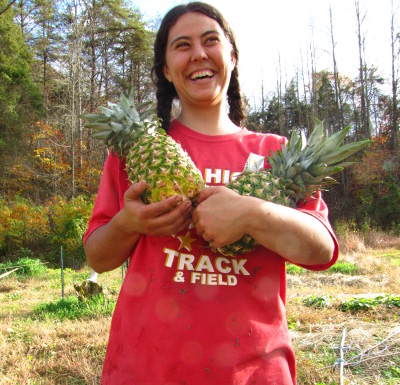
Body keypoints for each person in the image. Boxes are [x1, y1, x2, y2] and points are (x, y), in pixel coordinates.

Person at [83, 2, 338, 384]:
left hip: (253, 371)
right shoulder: (137, 152)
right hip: (146, 368)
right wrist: (128, 223)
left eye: (210, 41)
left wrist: (252, 212)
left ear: (232, 57)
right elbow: (97, 256)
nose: (198, 53)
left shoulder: (275, 153)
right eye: (182, 45)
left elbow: (322, 250)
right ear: (167, 70)